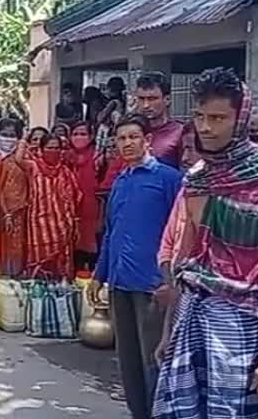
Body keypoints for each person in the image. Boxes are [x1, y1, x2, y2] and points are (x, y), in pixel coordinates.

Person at [152, 69, 258, 419]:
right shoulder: (198, 179)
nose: (206, 128)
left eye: (218, 118)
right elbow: (187, 260)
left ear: (240, 119)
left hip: (242, 328)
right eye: (199, 116)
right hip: (192, 316)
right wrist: (169, 330)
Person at [88, 113, 181, 419]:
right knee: (127, 361)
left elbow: (180, 233)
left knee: (152, 358)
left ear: (147, 141)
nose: (127, 143)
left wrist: (171, 281)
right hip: (120, 282)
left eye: (133, 137)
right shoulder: (120, 181)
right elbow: (111, 232)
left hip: (152, 285)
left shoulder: (169, 180)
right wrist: (99, 275)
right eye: (121, 138)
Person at [17, 134, 81, 279]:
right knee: (40, 263)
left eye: (57, 148)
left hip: (62, 224)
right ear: (41, 149)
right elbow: (18, 159)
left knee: (61, 266)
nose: (54, 151)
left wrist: (74, 222)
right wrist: (25, 140)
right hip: (39, 223)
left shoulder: (65, 171)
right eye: (50, 148)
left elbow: (75, 197)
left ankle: (60, 291)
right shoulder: (34, 166)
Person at [0, 118, 27, 278]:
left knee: (15, 247)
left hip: (17, 212)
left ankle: (13, 279)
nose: (8, 138)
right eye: (4, 134)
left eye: (12, 135)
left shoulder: (25, 158)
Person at [134, 71, 183, 168]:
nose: (146, 105)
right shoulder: (132, 131)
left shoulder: (180, 132)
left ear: (167, 99)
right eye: (141, 99)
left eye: (152, 99)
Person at [70, 122, 99, 270]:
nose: (79, 137)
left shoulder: (97, 155)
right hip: (71, 209)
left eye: (83, 134)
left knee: (92, 245)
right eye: (75, 134)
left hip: (92, 209)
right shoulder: (66, 156)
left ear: (91, 136)